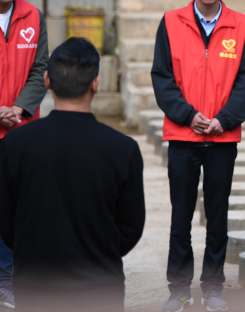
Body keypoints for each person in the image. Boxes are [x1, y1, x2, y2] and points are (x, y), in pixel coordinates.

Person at [0, 37, 145, 312]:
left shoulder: (15, 145)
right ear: (96, 83)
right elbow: (131, 227)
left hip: (34, 288)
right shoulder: (123, 149)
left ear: (46, 80)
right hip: (100, 289)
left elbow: (7, 223)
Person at [151, 0, 245, 312]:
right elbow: (162, 76)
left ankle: (213, 287)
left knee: (218, 213)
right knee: (180, 214)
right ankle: (179, 289)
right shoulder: (171, 22)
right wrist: (187, 115)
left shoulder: (240, 25)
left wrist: (224, 119)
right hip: (183, 135)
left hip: (222, 137)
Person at [0, 0, 48, 309]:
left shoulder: (33, 15)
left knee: (16, 207)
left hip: (21, 129)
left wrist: (18, 108)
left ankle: (10, 278)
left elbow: (40, 68)